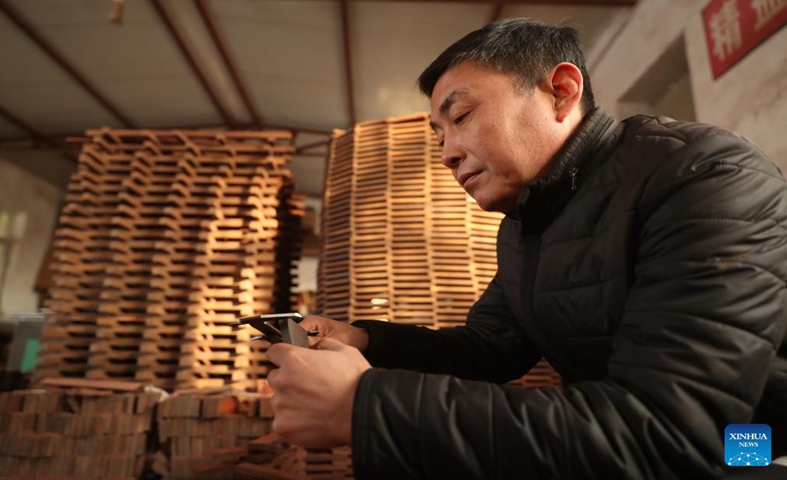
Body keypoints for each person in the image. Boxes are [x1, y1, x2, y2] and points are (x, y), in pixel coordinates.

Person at [265, 18, 787, 479]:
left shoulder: (704, 175)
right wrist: (365, 342)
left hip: (755, 443)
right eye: (437, 134)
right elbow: (490, 347)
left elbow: (673, 434)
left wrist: (365, 406)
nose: (446, 153)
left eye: (462, 116)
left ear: (561, 91)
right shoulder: (525, 224)